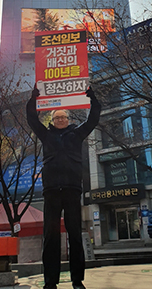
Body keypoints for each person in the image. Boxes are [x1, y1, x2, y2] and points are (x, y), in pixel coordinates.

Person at [26, 86, 101, 289]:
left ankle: (77, 281)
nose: (60, 120)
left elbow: (93, 119)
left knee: (75, 235)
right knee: (50, 237)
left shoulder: (76, 135)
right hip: (51, 191)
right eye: (57, 117)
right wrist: (34, 98)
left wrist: (92, 97)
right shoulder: (46, 135)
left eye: (63, 117)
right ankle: (50, 282)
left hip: (72, 190)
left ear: (68, 120)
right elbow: (32, 119)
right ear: (52, 120)